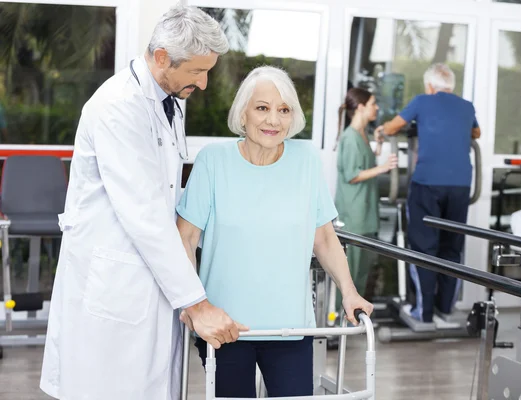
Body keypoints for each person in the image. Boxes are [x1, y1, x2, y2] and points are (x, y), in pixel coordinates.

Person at [40, 6, 247, 400]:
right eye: (197, 72)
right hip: (114, 279)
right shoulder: (119, 107)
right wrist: (197, 304)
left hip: (146, 277)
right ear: (162, 57)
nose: (203, 84)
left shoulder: (169, 97)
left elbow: (166, 192)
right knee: (108, 387)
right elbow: (146, 215)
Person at [176, 66, 374, 398]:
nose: (273, 120)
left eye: (283, 110)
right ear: (243, 114)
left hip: (290, 327)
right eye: (262, 108)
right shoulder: (213, 161)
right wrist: (195, 304)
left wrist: (350, 292)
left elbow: (324, 238)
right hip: (226, 326)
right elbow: (185, 238)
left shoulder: (306, 162)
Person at [382, 63, 481, 325]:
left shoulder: (422, 101)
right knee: (451, 247)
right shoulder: (466, 106)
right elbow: (476, 132)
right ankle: (444, 309)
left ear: (429, 85)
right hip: (460, 185)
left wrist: (387, 129)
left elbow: (392, 128)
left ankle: (422, 313)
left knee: (423, 247)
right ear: (451, 86)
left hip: (428, 184)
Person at [334, 88, 397, 310]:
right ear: (360, 107)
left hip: (366, 212)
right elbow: (352, 175)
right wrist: (383, 168)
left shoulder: (362, 134)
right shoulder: (350, 137)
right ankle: (341, 321)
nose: (376, 107)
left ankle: (354, 318)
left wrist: (378, 144)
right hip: (354, 214)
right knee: (352, 272)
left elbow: (365, 163)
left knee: (362, 269)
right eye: (372, 103)